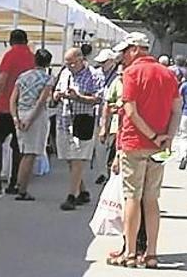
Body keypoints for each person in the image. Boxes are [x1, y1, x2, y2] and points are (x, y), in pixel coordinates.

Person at [109, 32, 181, 269]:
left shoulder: (131, 73)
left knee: (133, 197)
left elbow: (130, 110)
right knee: (152, 200)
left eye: (125, 52)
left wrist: (150, 134)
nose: (123, 57)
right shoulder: (168, 73)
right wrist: (166, 137)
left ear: (134, 49)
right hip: (159, 146)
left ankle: (130, 253)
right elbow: (176, 109)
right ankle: (151, 253)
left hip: (135, 142)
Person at [0, 29, 34, 196]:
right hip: (23, 107)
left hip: (4, 106)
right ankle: (15, 182)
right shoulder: (32, 57)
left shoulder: (10, 55)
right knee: (18, 148)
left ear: (11, 41)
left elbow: (2, 80)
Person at [54, 47, 103, 211]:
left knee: (77, 158)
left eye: (73, 63)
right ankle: (82, 191)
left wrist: (78, 97)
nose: (70, 66)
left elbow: (98, 98)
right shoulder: (65, 73)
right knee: (70, 158)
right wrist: (57, 95)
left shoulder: (94, 74)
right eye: (67, 63)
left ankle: (71, 196)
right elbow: (57, 89)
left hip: (83, 120)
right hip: (64, 119)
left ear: (81, 59)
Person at [10, 49, 54, 201]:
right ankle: (22, 188)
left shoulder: (22, 76)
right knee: (31, 153)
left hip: (20, 112)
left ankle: (18, 184)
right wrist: (30, 119)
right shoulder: (48, 79)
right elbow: (41, 101)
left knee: (24, 151)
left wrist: (15, 117)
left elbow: (13, 99)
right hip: (35, 116)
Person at [93, 49, 121, 185]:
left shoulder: (118, 76)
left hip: (114, 115)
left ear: (112, 61)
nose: (101, 65)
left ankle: (111, 172)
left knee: (112, 145)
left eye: (104, 62)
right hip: (99, 113)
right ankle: (102, 172)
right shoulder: (97, 74)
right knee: (99, 146)